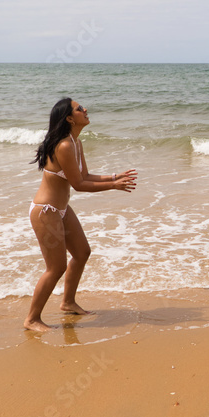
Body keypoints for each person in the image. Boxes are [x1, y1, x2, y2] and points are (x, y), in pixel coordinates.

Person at [25, 97, 137, 332]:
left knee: (82, 252)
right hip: (46, 211)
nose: (85, 110)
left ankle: (67, 302)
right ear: (68, 118)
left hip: (61, 209)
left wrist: (115, 176)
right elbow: (79, 185)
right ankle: (32, 319)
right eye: (79, 109)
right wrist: (113, 186)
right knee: (55, 268)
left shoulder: (75, 142)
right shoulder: (64, 145)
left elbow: (86, 175)